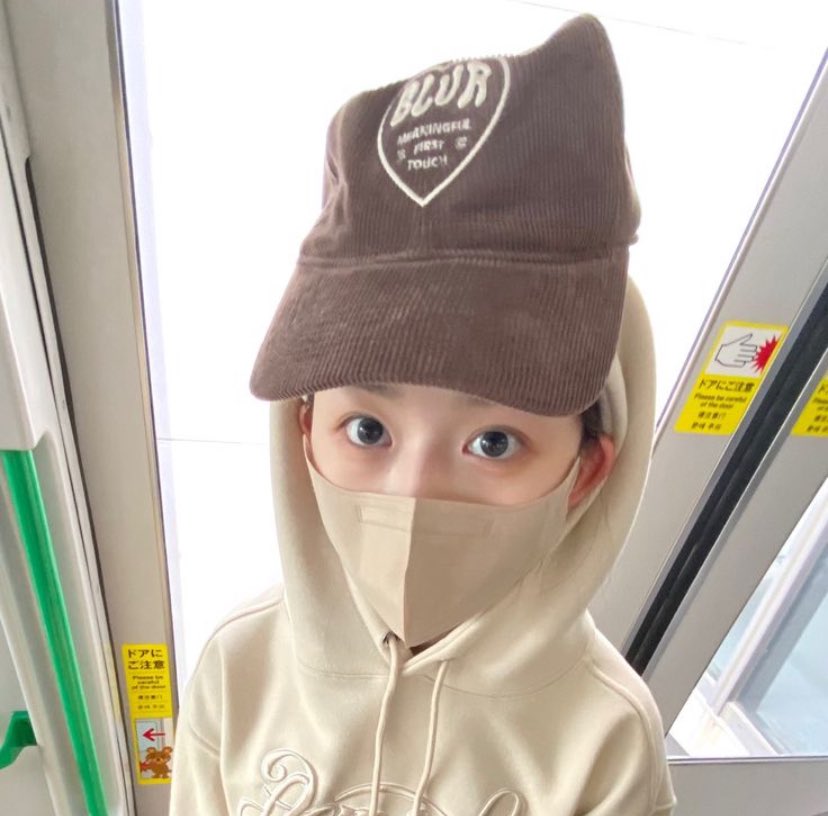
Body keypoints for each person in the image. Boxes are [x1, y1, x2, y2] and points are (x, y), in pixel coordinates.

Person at [170, 13, 677, 815]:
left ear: (585, 473)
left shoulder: (606, 740)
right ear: (302, 429)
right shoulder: (240, 668)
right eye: (367, 429)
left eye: (495, 441)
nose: (413, 493)